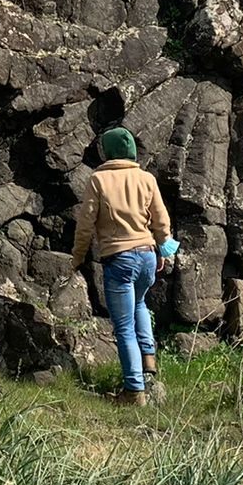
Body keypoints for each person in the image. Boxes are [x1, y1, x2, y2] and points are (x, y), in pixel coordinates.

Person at [71, 126, 173, 405]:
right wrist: (165, 250)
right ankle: (149, 360)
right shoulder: (146, 178)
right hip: (148, 255)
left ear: (107, 151)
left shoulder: (99, 180)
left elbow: (85, 224)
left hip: (120, 258)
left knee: (124, 325)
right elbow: (162, 223)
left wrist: (78, 256)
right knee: (140, 304)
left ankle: (133, 391)